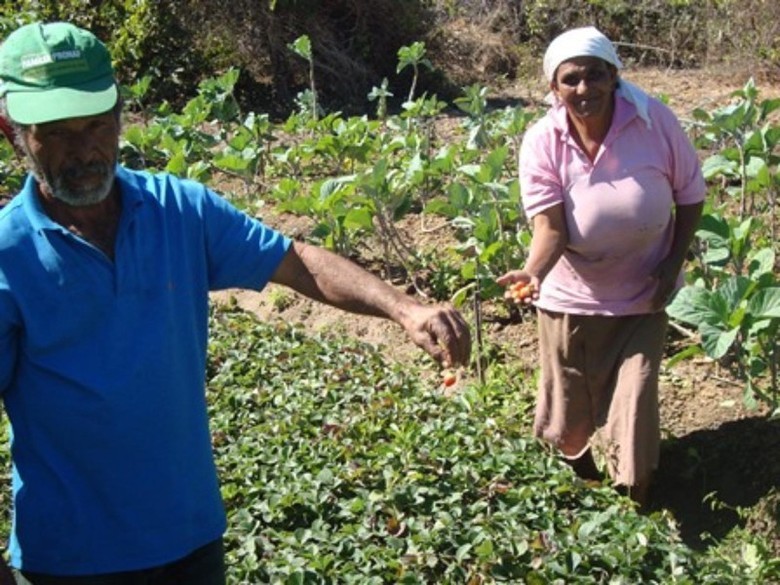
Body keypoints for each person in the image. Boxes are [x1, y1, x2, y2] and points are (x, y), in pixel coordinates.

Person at [0, 22, 471, 584]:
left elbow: (294, 260)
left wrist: (403, 308)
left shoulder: (180, 208)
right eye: (56, 132)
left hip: (190, 539)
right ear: (12, 132)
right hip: (70, 560)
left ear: (122, 114)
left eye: (98, 125)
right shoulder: (7, 254)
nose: (84, 151)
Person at [498, 26, 705, 507]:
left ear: (615, 76)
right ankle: (580, 492)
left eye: (595, 75)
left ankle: (635, 504)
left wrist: (673, 260)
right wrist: (533, 273)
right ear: (554, 88)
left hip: (642, 294)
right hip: (570, 296)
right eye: (570, 79)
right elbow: (551, 228)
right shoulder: (542, 141)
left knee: (633, 405)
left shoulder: (655, 123)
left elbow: (691, 196)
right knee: (567, 413)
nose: (584, 89)